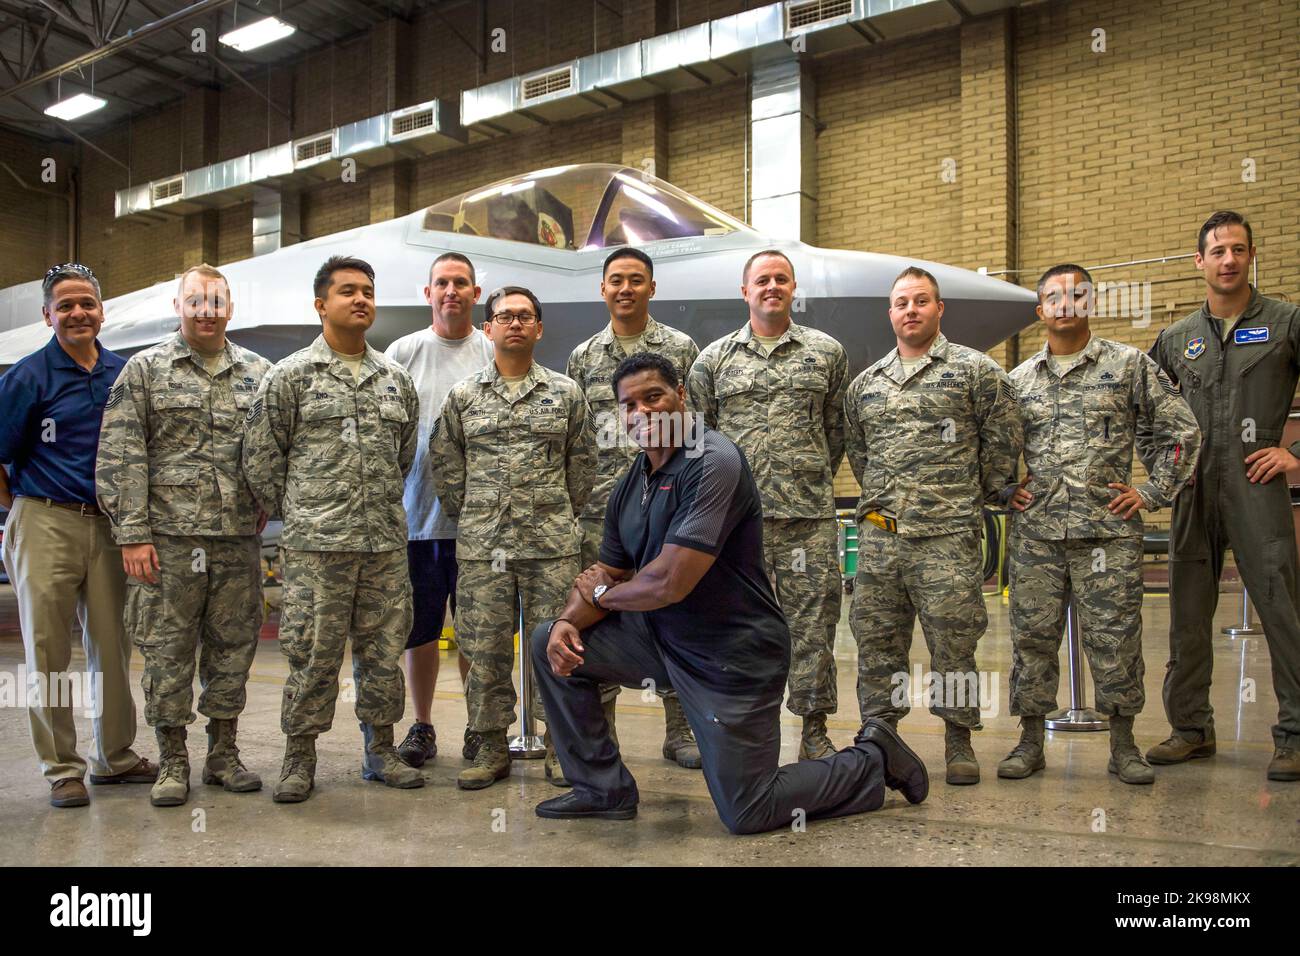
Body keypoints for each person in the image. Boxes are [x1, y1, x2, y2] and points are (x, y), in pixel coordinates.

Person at [531, 352, 928, 833]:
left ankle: (873, 757)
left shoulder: (712, 459)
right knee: (547, 636)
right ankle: (602, 789)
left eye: (653, 396)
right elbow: (607, 570)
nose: (642, 413)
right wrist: (571, 622)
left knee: (749, 810)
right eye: (629, 404)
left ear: (681, 395)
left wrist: (598, 597)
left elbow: (668, 582)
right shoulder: (630, 484)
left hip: (732, 654)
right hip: (662, 642)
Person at [1001, 264, 1200, 785]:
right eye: (1054, 297)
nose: (1065, 303)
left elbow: (1182, 430)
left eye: (1076, 295)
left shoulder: (1129, 366)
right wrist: (1002, 489)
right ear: (1039, 310)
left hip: (1107, 534)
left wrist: (1153, 491)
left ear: (1090, 303)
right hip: (1036, 536)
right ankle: (1028, 740)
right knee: (1031, 639)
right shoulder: (1017, 381)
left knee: (1115, 638)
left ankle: (1124, 743)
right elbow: (991, 448)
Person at [242, 255, 424, 802]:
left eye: (368, 290)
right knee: (311, 652)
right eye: (348, 291)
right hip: (316, 547)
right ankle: (299, 758)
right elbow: (260, 457)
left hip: (384, 545)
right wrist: (304, 510)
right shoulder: (290, 376)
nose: (361, 299)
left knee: (383, 651)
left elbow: (405, 456)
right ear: (321, 304)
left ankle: (381, 751)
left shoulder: (395, 379)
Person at [97, 263, 273, 807]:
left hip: (237, 540)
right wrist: (131, 534)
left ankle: (223, 753)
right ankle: (172, 760)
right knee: (168, 652)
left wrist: (265, 499)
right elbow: (122, 454)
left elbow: (271, 449)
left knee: (234, 647)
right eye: (195, 300)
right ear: (178, 307)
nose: (206, 310)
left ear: (230, 307)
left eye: (216, 300)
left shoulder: (259, 373)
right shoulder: (144, 371)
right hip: (168, 543)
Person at [843, 266, 1021, 785]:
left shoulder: (974, 371)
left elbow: (1003, 443)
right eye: (902, 302)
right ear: (890, 312)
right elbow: (860, 455)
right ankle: (879, 739)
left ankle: (958, 739)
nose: (911, 310)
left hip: (946, 537)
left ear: (940, 309)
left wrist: (971, 496)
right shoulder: (865, 385)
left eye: (922, 301)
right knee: (877, 644)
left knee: (954, 643)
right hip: (881, 538)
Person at [1146, 210, 1300, 781]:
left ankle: (1294, 735)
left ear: (1251, 256)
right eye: (1217, 251)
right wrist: (1167, 471)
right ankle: (1190, 729)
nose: (1228, 260)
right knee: (1187, 613)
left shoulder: (1286, 323)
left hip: (1256, 484)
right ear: (1199, 262)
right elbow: (1146, 411)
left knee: (1281, 609)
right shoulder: (1176, 339)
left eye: (1238, 249)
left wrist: (1295, 454)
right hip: (1193, 489)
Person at [0, 262, 157, 808]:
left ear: (101, 311)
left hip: (111, 525)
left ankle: (114, 756)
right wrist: (28, 508)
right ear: (48, 315)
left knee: (112, 645)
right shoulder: (27, 377)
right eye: (65, 305)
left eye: (86, 303)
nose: (77, 313)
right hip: (45, 518)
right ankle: (61, 768)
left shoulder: (124, 372)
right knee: (47, 649)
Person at [430, 285, 595, 790]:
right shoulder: (463, 397)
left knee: (555, 645)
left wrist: (552, 513)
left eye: (525, 316)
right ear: (488, 329)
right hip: (484, 548)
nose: (515, 324)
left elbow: (582, 465)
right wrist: (478, 515)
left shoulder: (566, 393)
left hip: (550, 547)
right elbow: (446, 465)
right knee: (484, 648)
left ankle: (560, 744)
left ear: (539, 328)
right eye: (504, 317)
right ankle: (488, 743)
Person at [687, 250, 847, 760]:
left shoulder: (826, 353)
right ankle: (739, 729)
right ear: (745, 291)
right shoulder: (713, 361)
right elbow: (700, 440)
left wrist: (805, 473)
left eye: (780, 278)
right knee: (734, 626)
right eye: (762, 280)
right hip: (737, 524)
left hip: (807, 518)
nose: (771, 287)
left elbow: (837, 431)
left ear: (792, 287)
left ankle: (814, 729)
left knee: (813, 626)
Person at [566, 246, 702, 771]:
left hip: (670, 504)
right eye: (616, 280)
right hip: (607, 510)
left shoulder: (680, 347)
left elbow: (694, 424)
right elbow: (577, 439)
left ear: (652, 287)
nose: (626, 289)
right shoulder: (583, 357)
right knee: (600, 615)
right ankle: (601, 740)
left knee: (675, 612)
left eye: (636, 280)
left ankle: (682, 729)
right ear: (603, 289)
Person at [384, 253, 492, 768]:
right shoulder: (403, 351)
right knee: (421, 630)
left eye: (461, 283)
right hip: (417, 521)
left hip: (481, 524)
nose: (452, 291)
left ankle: (479, 727)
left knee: (477, 631)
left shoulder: (493, 351)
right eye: (442, 283)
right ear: (428, 293)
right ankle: (422, 724)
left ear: (475, 293)